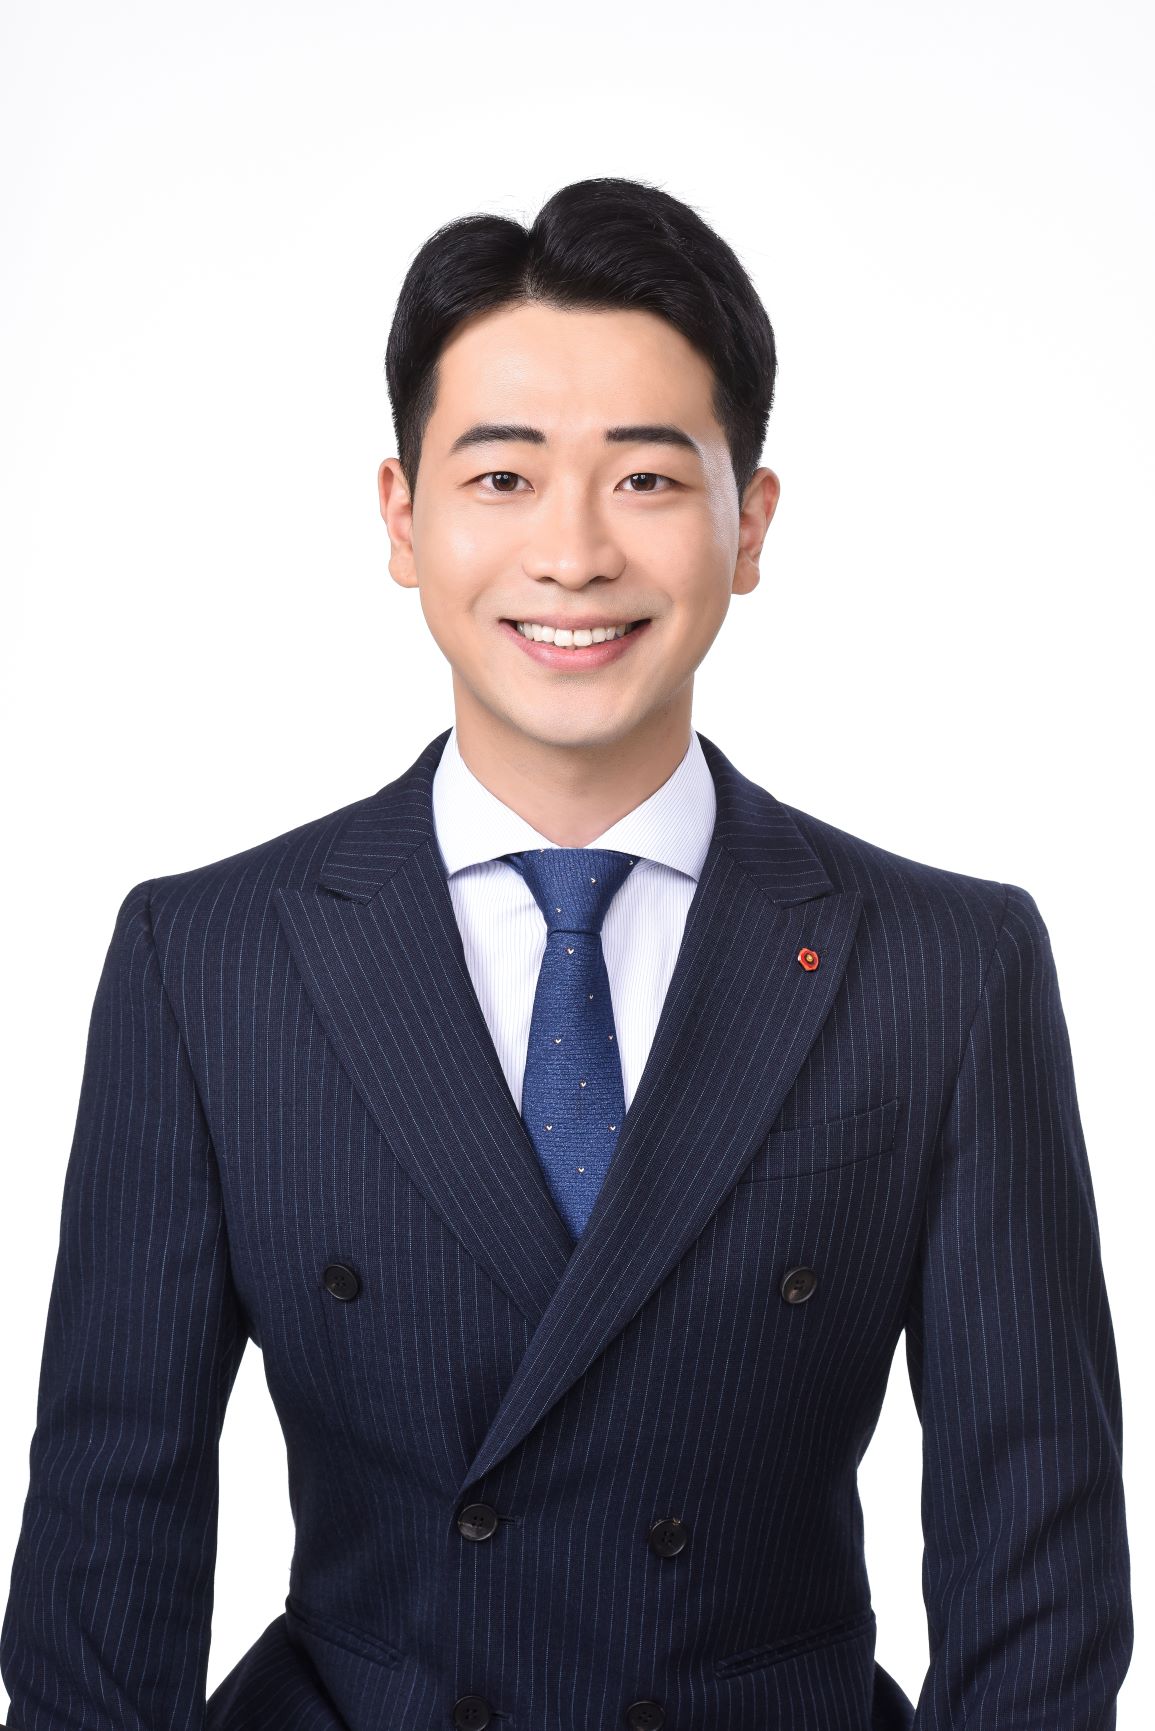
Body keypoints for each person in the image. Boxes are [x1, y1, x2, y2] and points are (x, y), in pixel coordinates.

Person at [0, 176, 1133, 1731]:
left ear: (751, 524)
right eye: (504, 477)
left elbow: (1039, 1570)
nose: (576, 552)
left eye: (648, 479)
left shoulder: (946, 966)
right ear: (403, 519)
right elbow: (105, 1543)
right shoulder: (210, 962)